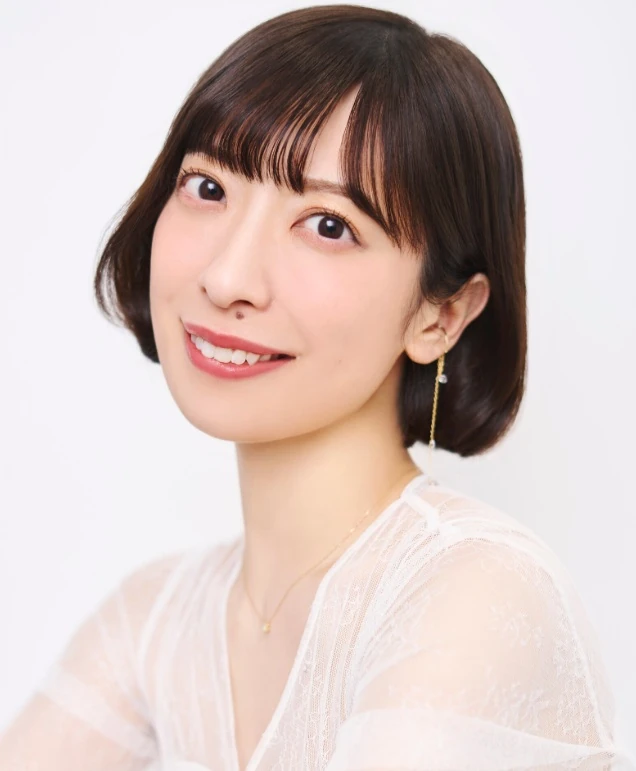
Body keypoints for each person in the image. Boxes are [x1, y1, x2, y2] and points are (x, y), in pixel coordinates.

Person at [1, 4, 633, 770]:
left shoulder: (477, 593)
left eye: (329, 225)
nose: (227, 277)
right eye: (207, 186)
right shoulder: (155, 620)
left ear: (441, 314)